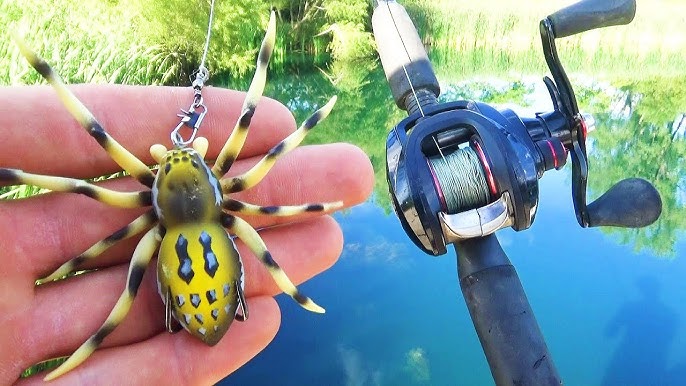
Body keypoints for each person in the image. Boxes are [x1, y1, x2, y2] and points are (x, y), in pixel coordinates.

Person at [0, 85, 374, 385]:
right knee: (124, 294)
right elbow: (262, 141)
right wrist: (312, 126)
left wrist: (70, 264)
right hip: (201, 270)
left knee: (124, 294)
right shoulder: (223, 203)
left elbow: (93, 163)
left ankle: (82, 353)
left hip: (189, 267)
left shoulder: (149, 222)